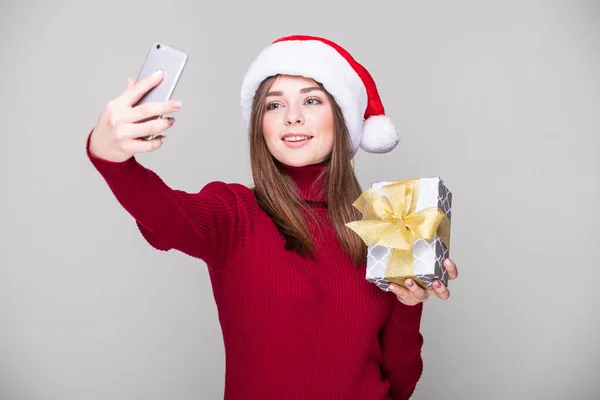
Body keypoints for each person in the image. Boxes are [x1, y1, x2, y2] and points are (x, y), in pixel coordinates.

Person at [86, 35, 459, 400]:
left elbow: (398, 387)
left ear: (343, 119)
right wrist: (108, 155)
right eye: (274, 105)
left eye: (312, 100)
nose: (292, 117)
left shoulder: (387, 224)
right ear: (260, 125)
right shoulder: (234, 212)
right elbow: (166, 217)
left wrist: (409, 307)